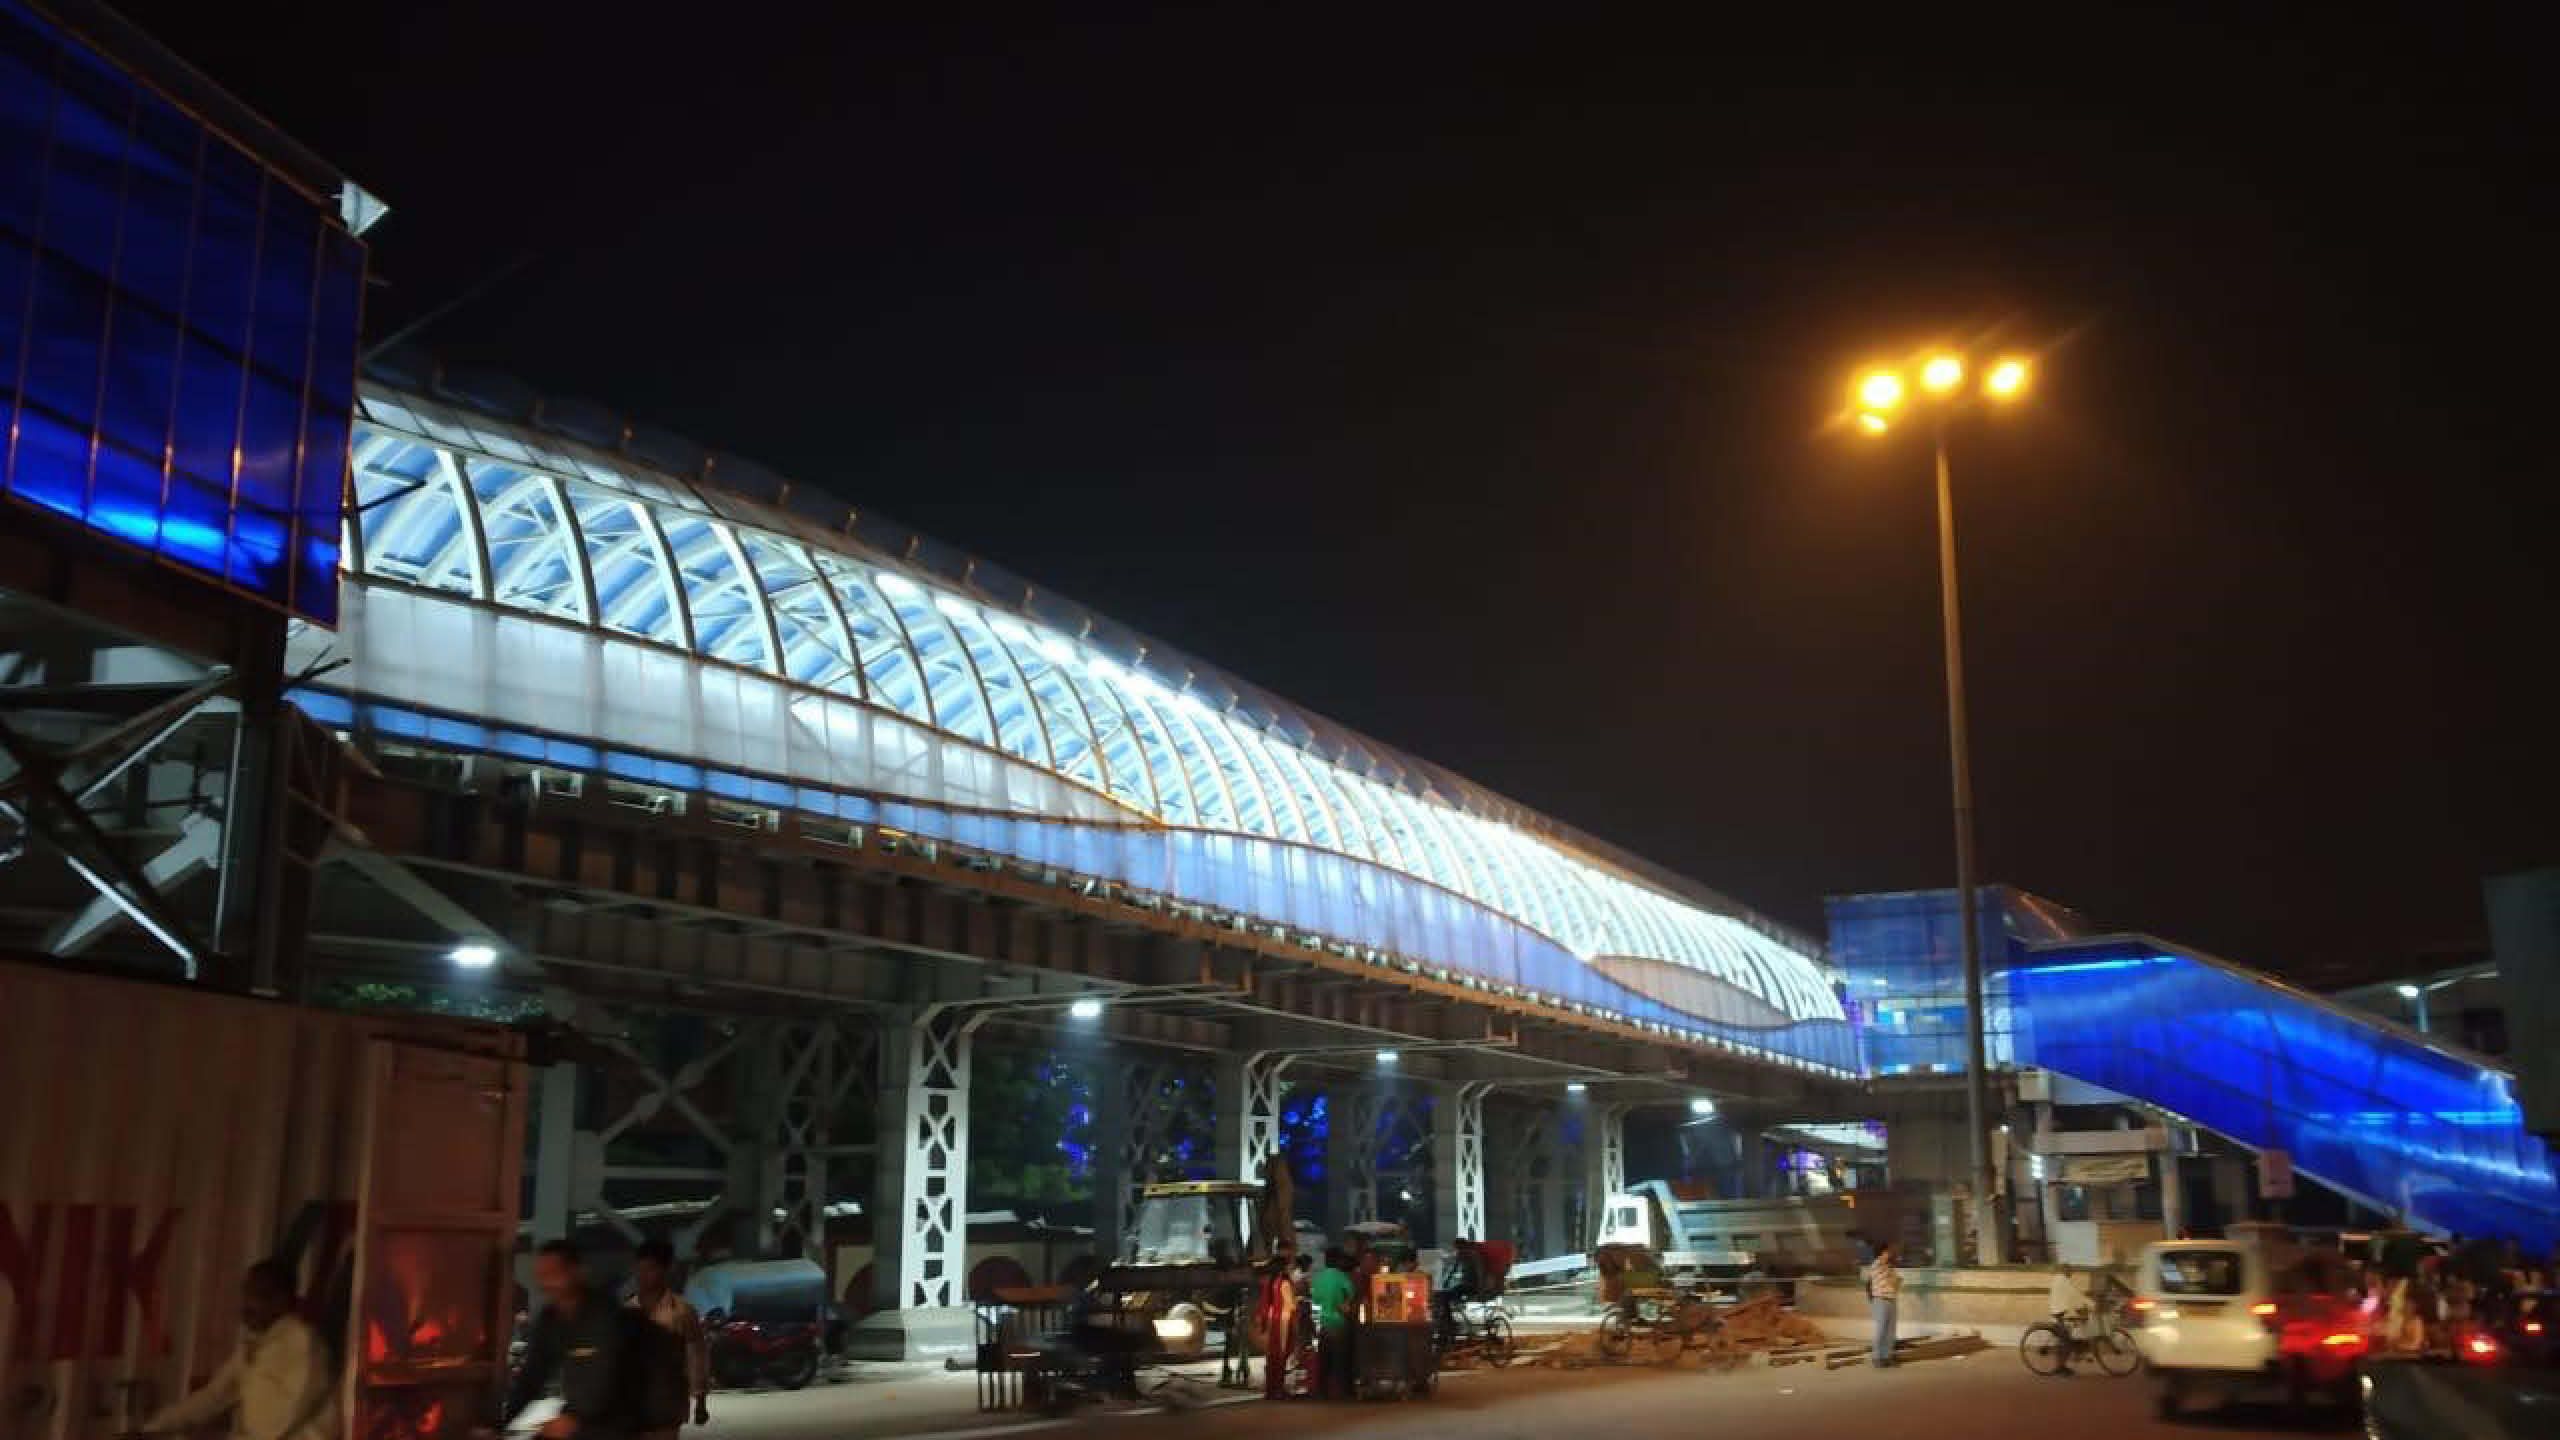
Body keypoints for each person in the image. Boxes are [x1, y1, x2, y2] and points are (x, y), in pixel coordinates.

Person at [143, 1260, 337, 1440]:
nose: (246, 1304)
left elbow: (275, 1426)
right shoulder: (255, 1346)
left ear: (282, 1301)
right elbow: (213, 1396)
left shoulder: (301, 1344)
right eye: (246, 1294)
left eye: (257, 1295)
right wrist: (153, 1429)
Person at [503, 1240, 640, 1440]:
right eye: (541, 1277)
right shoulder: (550, 1318)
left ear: (576, 1272)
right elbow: (532, 1375)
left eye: (553, 1275)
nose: (546, 1284)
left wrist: (574, 1418)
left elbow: (605, 1376)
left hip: (620, 1417)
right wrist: (502, 1421)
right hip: (580, 1416)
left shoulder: (606, 1315)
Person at [626, 1241, 708, 1440]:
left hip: (668, 1404)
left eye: (650, 1269)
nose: (643, 1275)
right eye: (640, 1269)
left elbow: (696, 1357)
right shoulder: (626, 1311)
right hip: (631, 1405)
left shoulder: (683, 1312)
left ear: (666, 1270)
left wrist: (700, 1400)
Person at [1308, 1248, 1356, 1400]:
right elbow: (1351, 1294)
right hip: (1339, 1323)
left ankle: (1321, 1391)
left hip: (1322, 1324)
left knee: (1324, 1360)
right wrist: (1344, 1305)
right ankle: (1341, 1392)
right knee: (1341, 1360)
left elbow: (1314, 1303)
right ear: (1338, 1261)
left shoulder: (1318, 1278)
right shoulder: (1342, 1277)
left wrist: (1316, 1324)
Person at [1866, 1241, 1902, 1368]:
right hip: (1881, 1300)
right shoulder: (1877, 1265)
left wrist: (1894, 1278)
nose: (1889, 1254)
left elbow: (1897, 1282)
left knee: (1891, 1331)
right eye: (1887, 1252)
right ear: (1881, 1253)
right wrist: (1893, 1277)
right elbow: (1891, 1279)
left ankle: (1887, 1356)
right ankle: (1877, 1357)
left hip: (1891, 1299)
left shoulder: (1889, 1266)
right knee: (1881, 1330)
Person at [2047, 1265, 2091, 1337]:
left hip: (2055, 1307)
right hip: (2059, 1309)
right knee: (2083, 1315)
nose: (2071, 1274)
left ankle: (2068, 1338)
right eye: (2070, 1272)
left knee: (2077, 1313)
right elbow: (2075, 1293)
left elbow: (2072, 1293)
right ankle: (2084, 1336)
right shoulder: (2063, 1280)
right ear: (2066, 1271)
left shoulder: (2059, 1278)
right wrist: (2090, 1303)